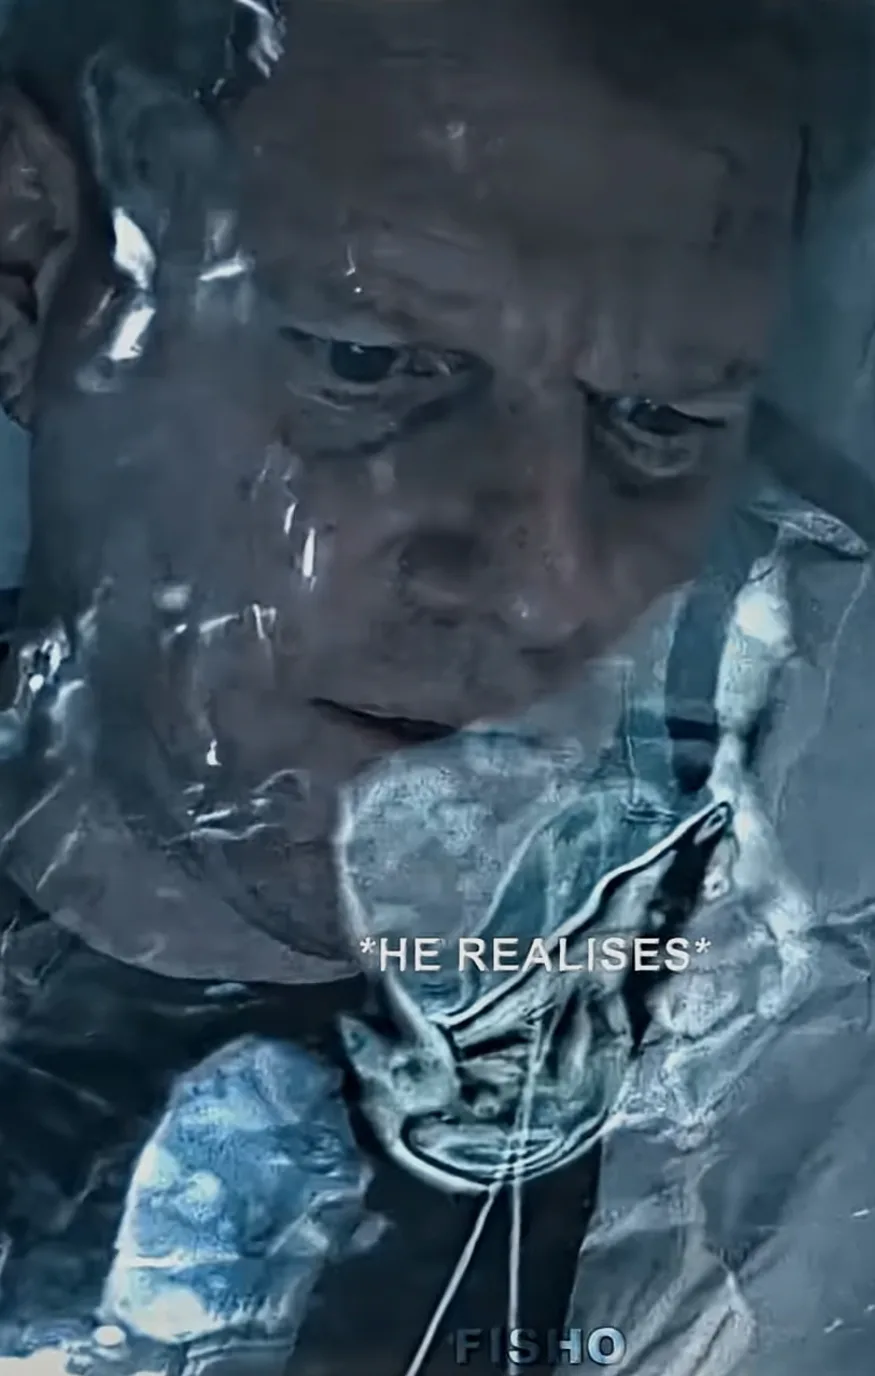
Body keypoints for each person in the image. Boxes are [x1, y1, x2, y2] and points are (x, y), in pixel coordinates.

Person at [0, 1, 860, 1373]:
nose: (546, 585)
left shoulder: (779, 1075)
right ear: (32, 263)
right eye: (370, 363)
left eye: (660, 420)